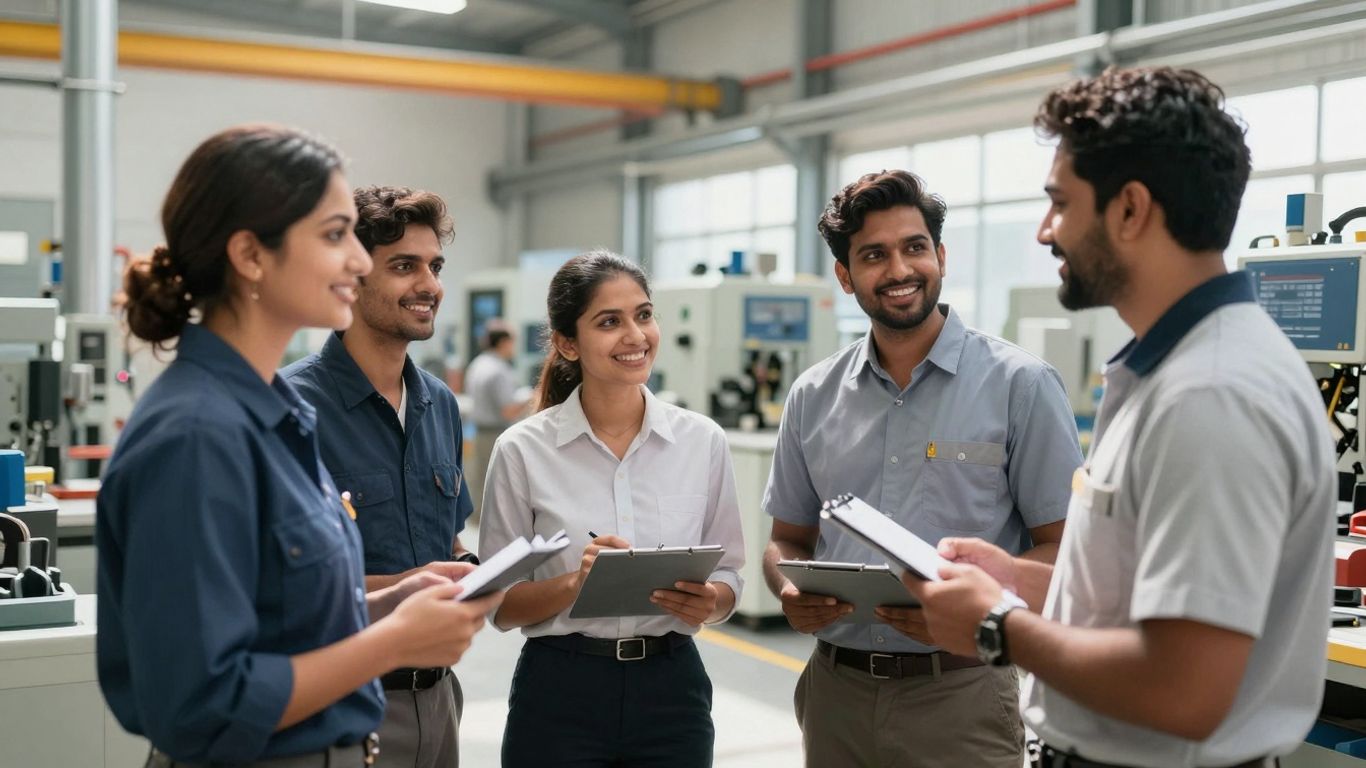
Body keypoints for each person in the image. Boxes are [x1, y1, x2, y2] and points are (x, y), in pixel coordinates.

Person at [904, 67, 1334, 768]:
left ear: (1130, 210)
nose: (1046, 231)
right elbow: (1144, 604)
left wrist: (996, 624)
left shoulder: (1210, 395)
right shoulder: (1170, 370)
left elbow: (1183, 688)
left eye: (1060, 204)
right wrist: (1021, 583)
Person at [96, 125, 502, 768]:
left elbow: (278, 610)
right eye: (335, 235)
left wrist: (389, 601)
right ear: (252, 256)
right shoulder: (198, 434)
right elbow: (200, 701)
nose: (358, 262)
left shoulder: (273, 414)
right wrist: (393, 639)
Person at [761, 170, 1082, 768]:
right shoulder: (812, 395)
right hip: (837, 695)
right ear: (845, 274)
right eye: (874, 255)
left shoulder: (1021, 386)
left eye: (914, 248)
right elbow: (786, 538)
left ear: (940, 255)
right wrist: (787, 589)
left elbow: (1066, 553)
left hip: (962, 695)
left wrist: (975, 605)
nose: (900, 270)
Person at [478, 249, 745, 768]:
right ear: (567, 344)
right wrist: (574, 585)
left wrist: (708, 600)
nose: (636, 335)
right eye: (609, 322)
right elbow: (499, 604)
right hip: (560, 690)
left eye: (644, 315)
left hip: (672, 691)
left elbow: (731, 576)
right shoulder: (523, 450)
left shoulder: (702, 442)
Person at [281, 185, 476, 768]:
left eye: (434, 266)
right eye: (403, 266)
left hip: (439, 701)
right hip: (343, 699)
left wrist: (472, 574)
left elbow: (449, 542)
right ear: (352, 278)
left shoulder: (439, 404)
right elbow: (282, 591)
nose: (430, 285)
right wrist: (407, 589)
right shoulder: (290, 409)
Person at [464, 325, 530, 524]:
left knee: (480, 480)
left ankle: (479, 522)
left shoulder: (478, 364)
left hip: (479, 431)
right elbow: (508, 410)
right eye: (512, 342)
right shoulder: (498, 370)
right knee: (495, 484)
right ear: (503, 342)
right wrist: (530, 397)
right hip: (495, 432)